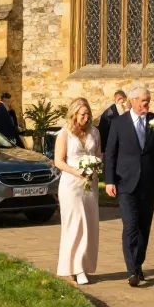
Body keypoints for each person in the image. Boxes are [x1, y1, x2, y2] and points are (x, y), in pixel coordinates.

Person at [102, 85, 154, 287]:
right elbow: (111, 153)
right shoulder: (118, 123)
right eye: (144, 101)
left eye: (148, 101)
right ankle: (132, 270)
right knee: (130, 225)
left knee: (144, 227)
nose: (147, 105)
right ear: (132, 101)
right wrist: (109, 180)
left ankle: (138, 264)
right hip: (126, 182)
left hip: (149, 183)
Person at [52, 97, 101, 284]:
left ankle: (83, 266)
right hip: (71, 184)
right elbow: (59, 161)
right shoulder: (64, 134)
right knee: (74, 225)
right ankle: (70, 268)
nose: (86, 117)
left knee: (89, 225)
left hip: (90, 184)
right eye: (82, 114)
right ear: (73, 114)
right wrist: (77, 172)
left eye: (88, 114)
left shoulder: (95, 132)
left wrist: (95, 167)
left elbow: (97, 155)